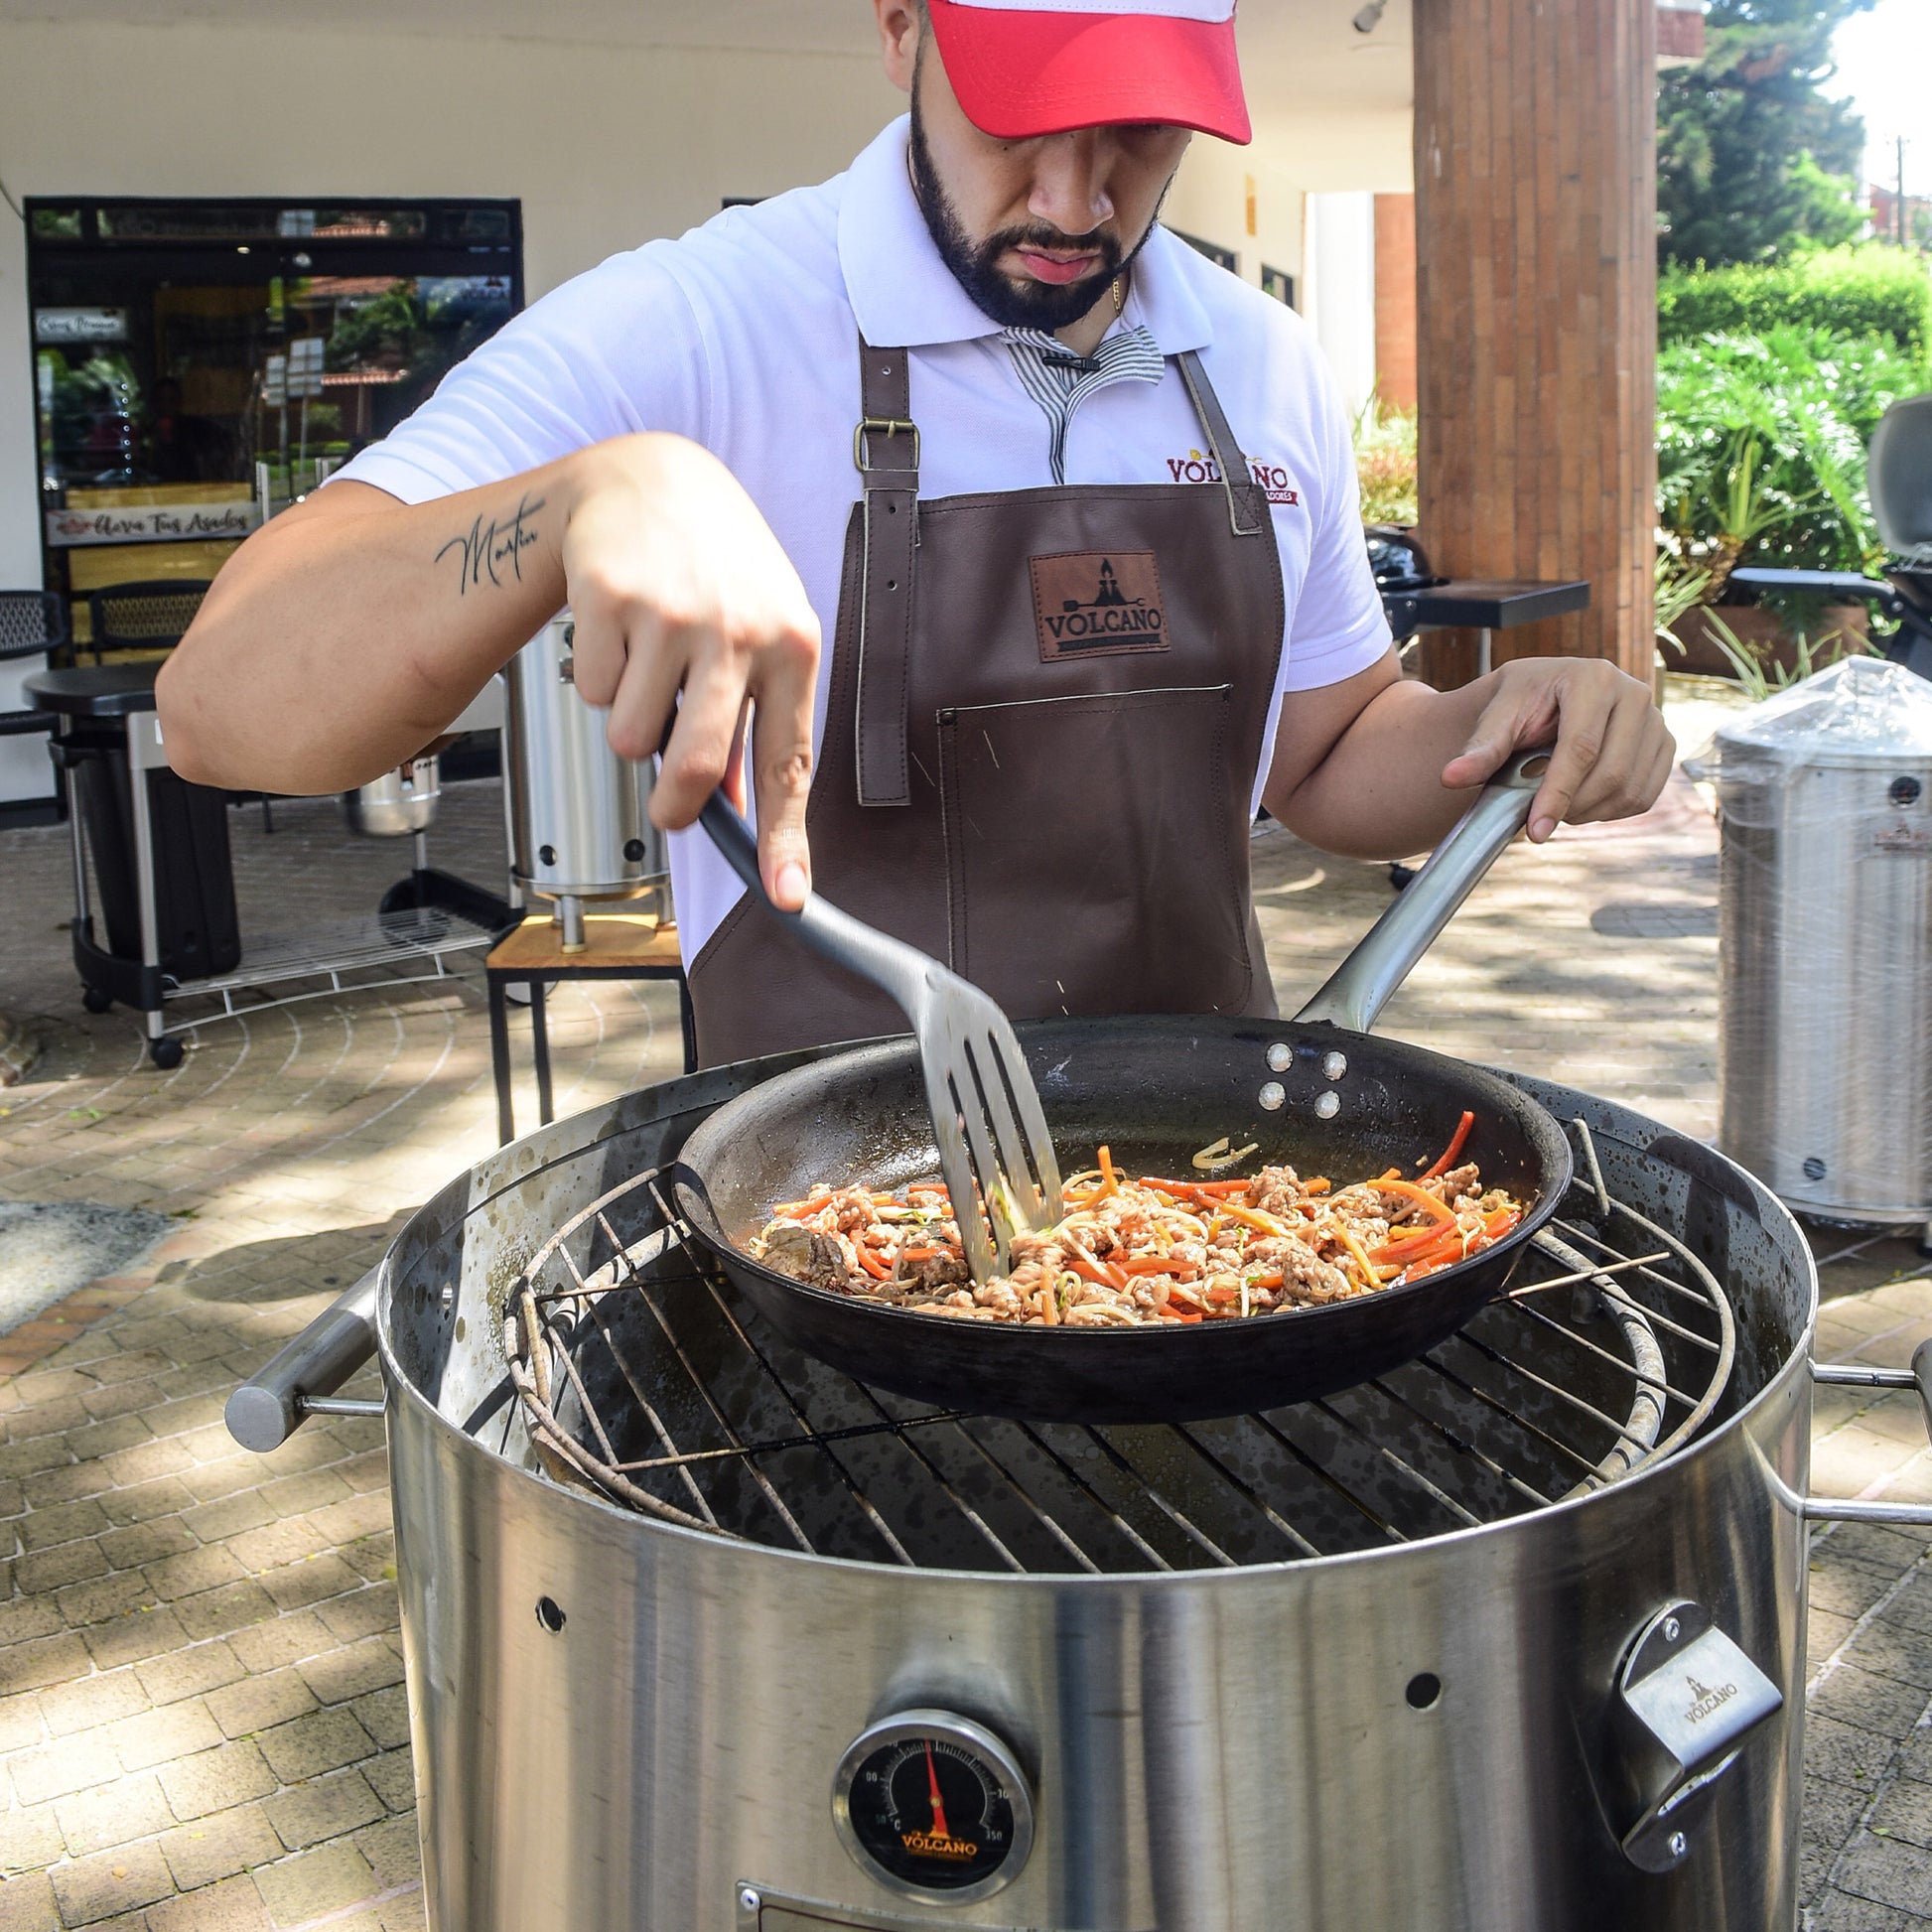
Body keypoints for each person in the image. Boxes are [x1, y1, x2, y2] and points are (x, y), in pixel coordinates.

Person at [157, 0, 1674, 1066]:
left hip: (1213, 1192)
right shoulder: (700, 321)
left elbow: (1331, 754)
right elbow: (221, 705)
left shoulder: (1253, 361)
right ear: (900, 27)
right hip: (811, 1206)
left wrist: (1496, 721)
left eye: (1140, 134)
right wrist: (577, 497)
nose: (1077, 201)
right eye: (1021, 116)